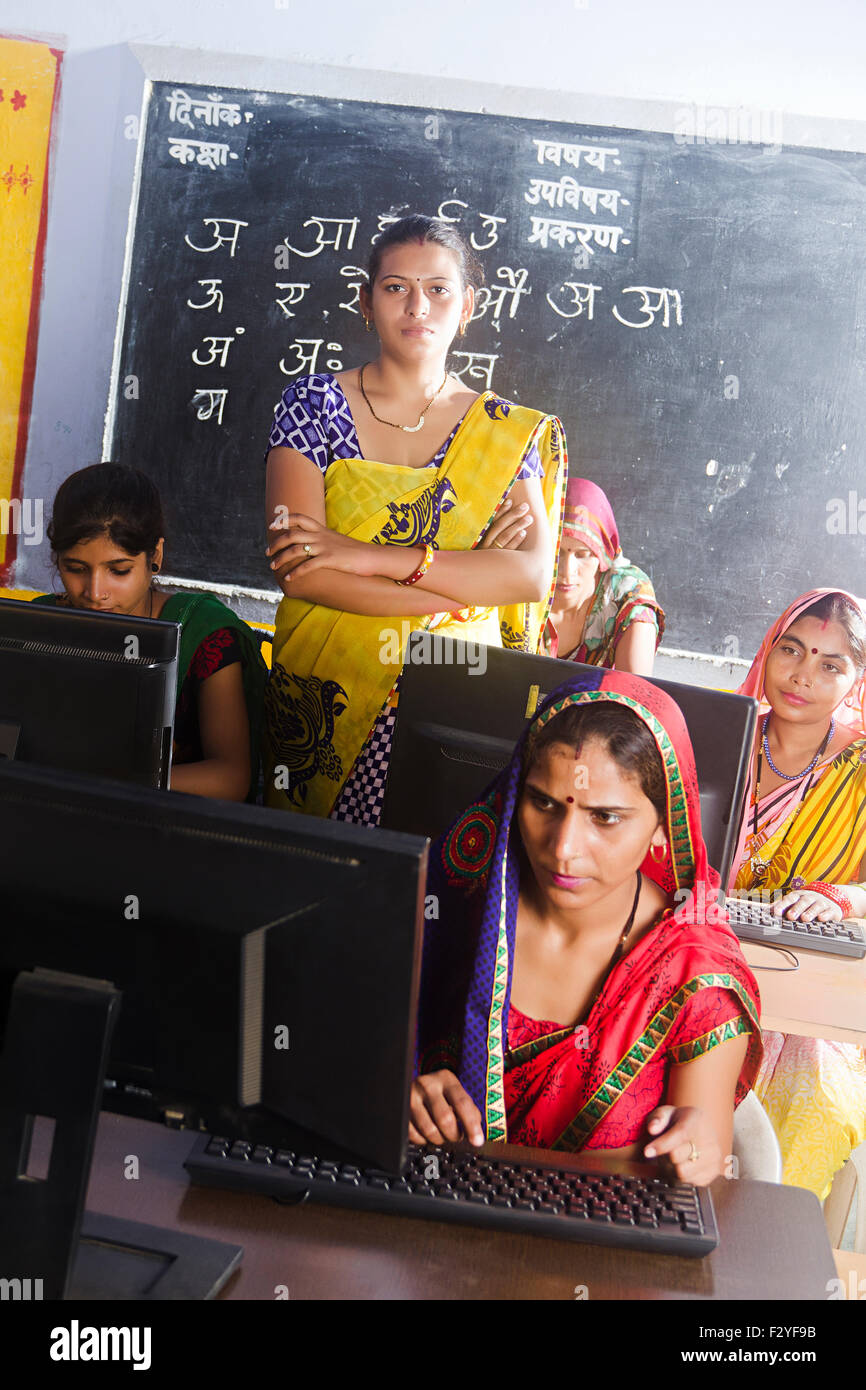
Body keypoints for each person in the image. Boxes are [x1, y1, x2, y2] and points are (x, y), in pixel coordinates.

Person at [263, 214, 566, 824]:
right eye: (396, 287)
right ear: (366, 302)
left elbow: (529, 577)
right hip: (326, 687)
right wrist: (460, 591)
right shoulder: (312, 406)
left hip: (454, 695)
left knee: (435, 887)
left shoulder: (505, 433)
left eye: (438, 289)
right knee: (313, 879)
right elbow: (301, 572)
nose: (417, 307)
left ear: (467, 306)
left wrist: (366, 555)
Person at [413, 670, 762, 1182]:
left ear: (666, 826)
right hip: (427, 1226)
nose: (563, 849)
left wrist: (693, 1154)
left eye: (605, 818)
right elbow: (345, 1060)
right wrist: (399, 1095)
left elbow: (701, 1167)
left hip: (599, 1251)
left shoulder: (696, 975)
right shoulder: (459, 903)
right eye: (543, 803)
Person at [728, 588, 866, 1198]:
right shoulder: (718, 740)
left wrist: (840, 897)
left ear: (856, 681)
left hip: (810, 998)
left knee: (809, 1094)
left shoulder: (859, 771)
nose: (803, 676)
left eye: (831, 665)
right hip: (701, 964)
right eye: (792, 650)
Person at [34, 463, 267, 802]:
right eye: (75, 568)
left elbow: (230, 778)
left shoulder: (205, 635)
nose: (95, 592)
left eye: (119, 570)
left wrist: (104, 779)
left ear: (154, 555)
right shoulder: (40, 624)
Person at [541, 477, 664, 674]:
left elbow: (633, 693)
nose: (567, 571)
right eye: (557, 553)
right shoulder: (520, 584)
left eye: (583, 555)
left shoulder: (628, 596)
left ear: (603, 554)